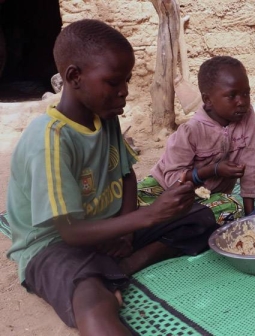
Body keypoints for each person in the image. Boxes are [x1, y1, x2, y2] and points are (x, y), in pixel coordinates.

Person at [5, 19, 218, 335]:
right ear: (74, 77)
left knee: (198, 218)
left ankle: (124, 266)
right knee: (90, 298)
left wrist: (126, 232)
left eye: (127, 81)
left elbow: (127, 176)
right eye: (114, 82)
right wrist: (147, 217)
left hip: (110, 228)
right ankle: (102, 279)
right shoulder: (50, 139)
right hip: (53, 245)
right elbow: (70, 233)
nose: (124, 93)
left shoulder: (104, 118)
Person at [141, 56, 255, 223]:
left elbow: (249, 165)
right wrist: (213, 170)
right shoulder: (191, 130)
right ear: (208, 100)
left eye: (246, 93)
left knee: (231, 208)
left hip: (209, 199)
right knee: (132, 206)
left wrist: (251, 214)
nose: (242, 102)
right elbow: (171, 180)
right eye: (232, 95)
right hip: (165, 189)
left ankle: (172, 227)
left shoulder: (246, 116)